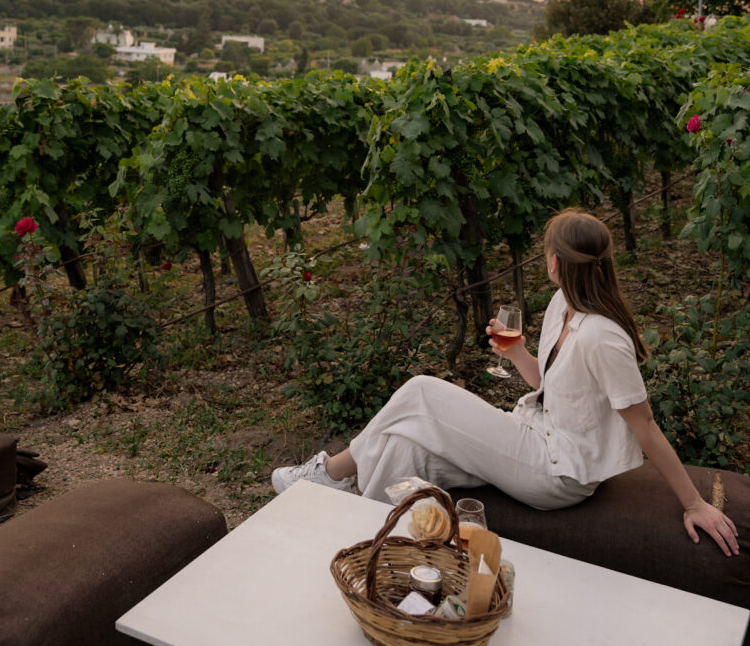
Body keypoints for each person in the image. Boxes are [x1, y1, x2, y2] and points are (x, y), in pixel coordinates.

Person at [271, 209, 739, 556]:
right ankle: (365, 545)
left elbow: (646, 428)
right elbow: (550, 383)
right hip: (533, 431)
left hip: (557, 471)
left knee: (420, 392)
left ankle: (328, 474)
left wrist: (695, 503)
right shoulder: (563, 305)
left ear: (555, 261)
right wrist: (516, 353)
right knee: (405, 449)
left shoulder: (604, 337)